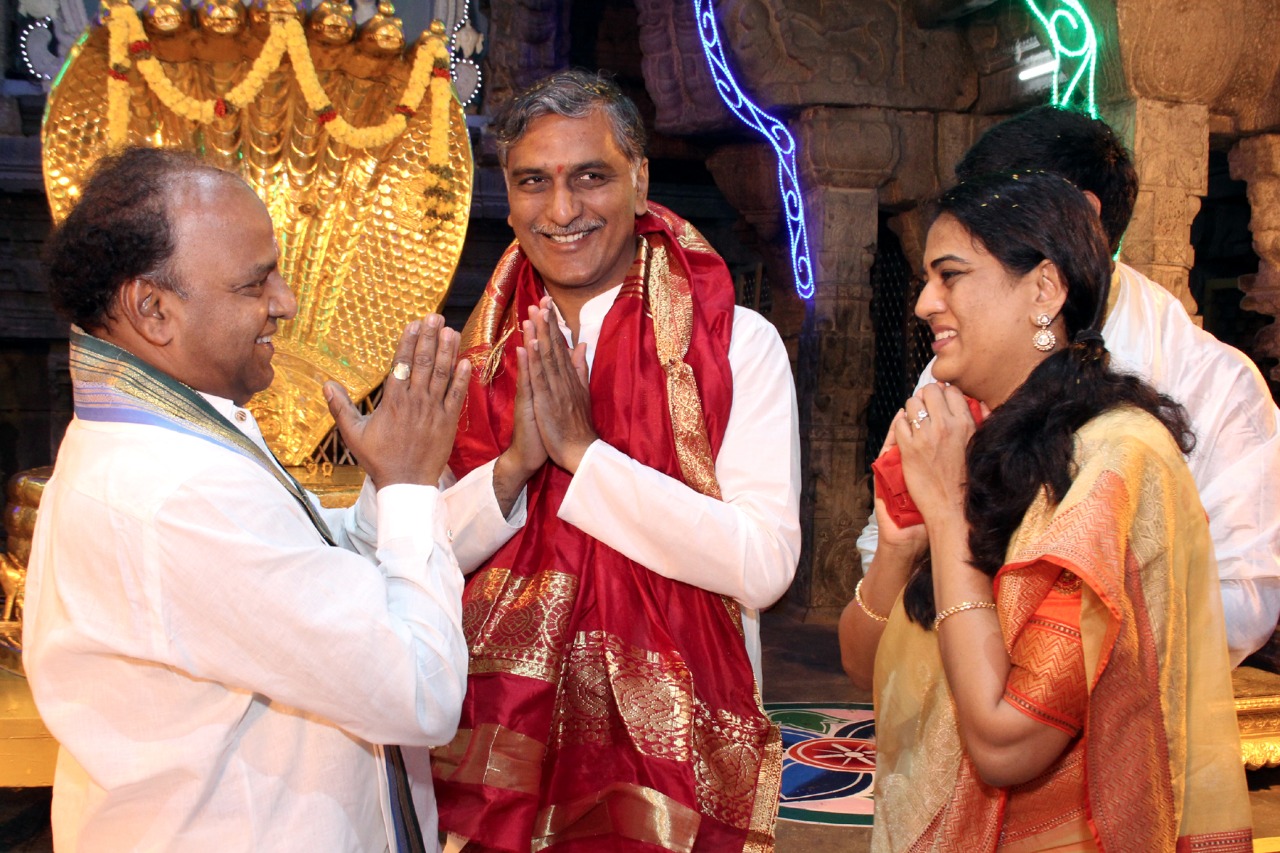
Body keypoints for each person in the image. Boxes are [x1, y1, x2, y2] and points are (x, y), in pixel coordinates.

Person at [23, 146, 471, 851]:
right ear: (154, 309)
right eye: (253, 284)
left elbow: (311, 575)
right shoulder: (177, 490)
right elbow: (420, 689)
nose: (286, 303)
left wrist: (398, 481)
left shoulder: (167, 431)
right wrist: (410, 483)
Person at [428, 70, 802, 852]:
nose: (561, 211)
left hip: (672, 770)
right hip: (493, 746)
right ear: (508, 193)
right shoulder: (472, 360)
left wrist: (582, 456)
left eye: (590, 177)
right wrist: (514, 468)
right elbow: (421, 556)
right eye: (535, 182)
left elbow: (763, 563)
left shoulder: (737, 345)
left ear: (639, 182)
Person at [840, 172, 1252, 850]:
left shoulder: (1115, 461)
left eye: (950, 276)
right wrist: (897, 546)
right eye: (925, 279)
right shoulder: (968, 436)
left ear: (1044, 290)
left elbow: (1008, 743)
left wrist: (948, 518)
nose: (922, 303)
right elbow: (864, 666)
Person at [858, 105, 1280, 666]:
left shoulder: (1210, 385)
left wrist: (1037, 632)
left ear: (1079, 219)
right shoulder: (960, 364)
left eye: (953, 273)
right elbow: (882, 591)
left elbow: (1245, 604)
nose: (926, 304)